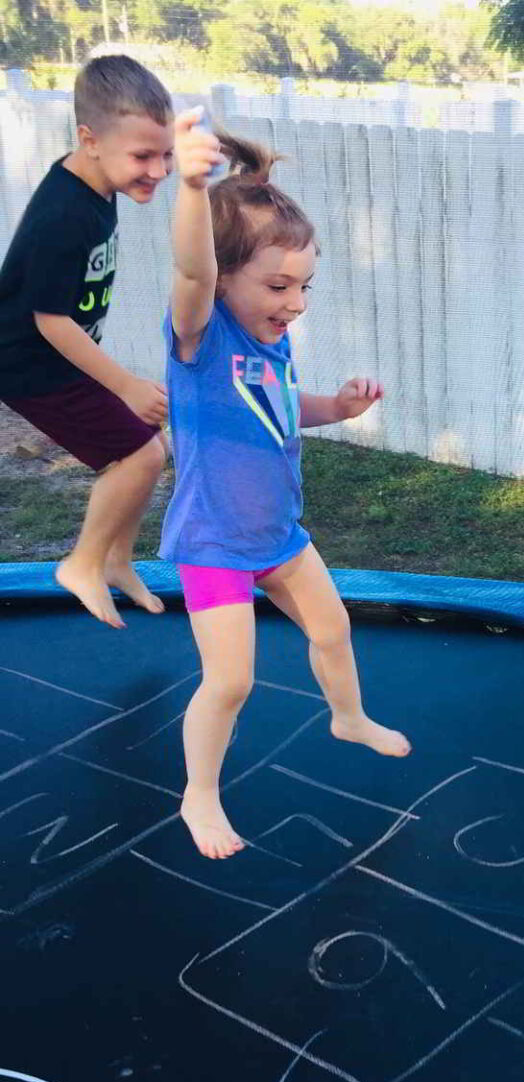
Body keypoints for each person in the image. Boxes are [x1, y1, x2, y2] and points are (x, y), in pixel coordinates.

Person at [162, 109, 410, 860]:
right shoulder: (200, 336)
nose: (294, 303)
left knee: (333, 631)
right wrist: (190, 189)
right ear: (226, 278)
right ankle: (197, 794)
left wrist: (338, 406)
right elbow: (192, 269)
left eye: (304, 286)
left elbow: (277, 410)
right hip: (215, 545)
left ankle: (347, 717)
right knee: (230, 682)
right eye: (277, 286)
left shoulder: (273, 345)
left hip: (281, 537)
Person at [0, 55, 173, 627]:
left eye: (165, 153)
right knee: (138, 455)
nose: (159, 169)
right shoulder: (64, 212)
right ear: (89, 139)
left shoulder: (96, 182)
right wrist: (123, 384)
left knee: (149, 452)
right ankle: (82, 562)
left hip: (54, 356)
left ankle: (117, 561)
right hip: (30, 364)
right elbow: (52, 321)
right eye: (144, 157)